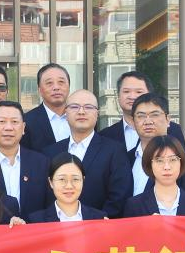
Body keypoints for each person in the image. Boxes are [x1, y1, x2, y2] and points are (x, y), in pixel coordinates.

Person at [42, 89, 131, 217]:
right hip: (56, 224)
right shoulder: (50, 152)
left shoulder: (115, 150)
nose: (81, 112)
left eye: (88, 107)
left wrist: (98, 221)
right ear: (66, 113)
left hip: (100, 225)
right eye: (74, 107)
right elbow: (44, 195)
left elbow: (120, 195)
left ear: (97, 114)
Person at [0, 100, 51, 217]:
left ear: (23, 128)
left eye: (14, 122)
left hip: (33, 227)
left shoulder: (41, 163)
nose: (8, 127)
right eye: (2, 121)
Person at [100, 71, 185, 150]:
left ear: (149, 94)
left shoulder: (173, 129)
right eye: (126, 91)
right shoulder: (106, 135)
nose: (132, 96)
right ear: (118, 95)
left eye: (138, 92)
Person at [124, 93, 179, 198]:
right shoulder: (124, 158)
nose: (148, 121)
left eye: (155, 115)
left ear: (168, 119)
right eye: (141, 116)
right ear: (133, 122)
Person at [20, 63, 71, 152]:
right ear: (39, 90)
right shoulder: (27, 122)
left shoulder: (82, 117)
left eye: (61, 82)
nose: (56, 87)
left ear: (69, 86)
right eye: (49, 83)